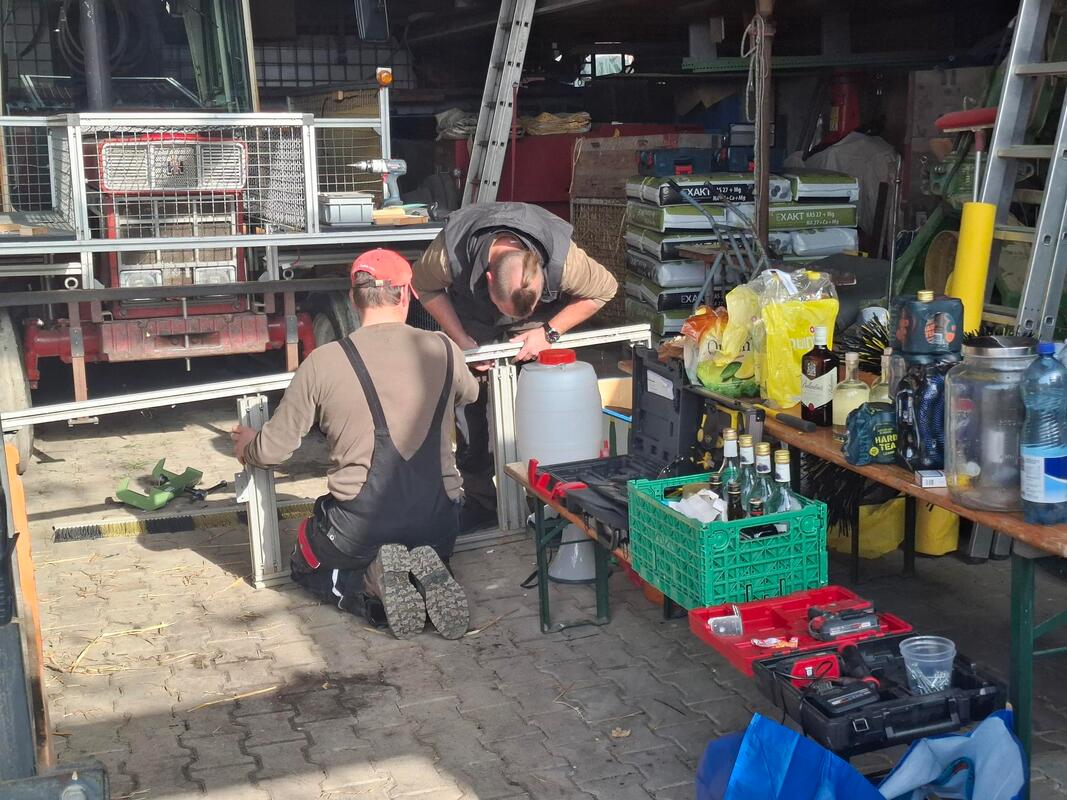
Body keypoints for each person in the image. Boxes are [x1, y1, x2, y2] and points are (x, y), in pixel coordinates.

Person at [230, 249, 480, 640]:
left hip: (361, 528)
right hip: (438, 520)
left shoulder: (323, 362)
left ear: (352, 298)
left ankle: (368, 586)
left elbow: (272, 451)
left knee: (306, 562)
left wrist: (248, 445)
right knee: (423, 539)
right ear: (407, 294)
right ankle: (428, 571)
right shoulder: (444, 348)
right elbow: (470, 393)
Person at [412, 202, 618, 530]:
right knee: (472, 415)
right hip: (474, 326)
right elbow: (423, 286)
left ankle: (549, 503)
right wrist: (461, 339)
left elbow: (605, 290)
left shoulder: (563, 260)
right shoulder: (449, 253)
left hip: (537, 330)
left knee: (545, 411)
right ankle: (482, 502)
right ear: (488, 278)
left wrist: (548, 332)